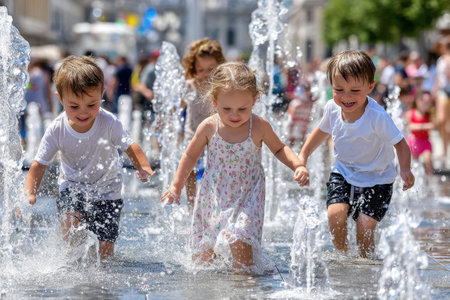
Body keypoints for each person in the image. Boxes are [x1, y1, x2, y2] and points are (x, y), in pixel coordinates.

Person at [160, 62, 303, 271]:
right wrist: (176, 186)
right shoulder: (209, 126)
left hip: (248, 194)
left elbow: (280, 149)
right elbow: (190, 155)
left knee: (241, 236)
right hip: (214, 194)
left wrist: (297, 165)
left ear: (254, 100)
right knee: (204, 255)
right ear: (214, 101)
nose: (234, 115)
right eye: (226, 109)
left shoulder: (259, 126)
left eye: (242, 109)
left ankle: (243, 282)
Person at [24, 56, 155, 260]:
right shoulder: (57, 129)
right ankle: (73, 259)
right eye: (74, 106)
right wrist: (30, 193)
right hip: (73, 187)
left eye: (91, 105)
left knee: (106, 254)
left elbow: (131, 146)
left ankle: (98, 258)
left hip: (108, 192)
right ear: (60, 99)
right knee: (70, 228)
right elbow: (38, 165)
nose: (83, 112)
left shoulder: (109, 122)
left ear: (101, 94)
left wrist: (143, 165)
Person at [297, 50, 415, 258]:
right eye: (339, 89)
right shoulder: (332, 108)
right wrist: (303, 156)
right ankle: (342, 255)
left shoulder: (377, 116)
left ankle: (364, 259)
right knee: (335, 214)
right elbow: (320, 132)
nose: (346, 97)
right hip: (343, 171)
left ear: (370, 86)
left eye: (354, 90)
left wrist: (405, 168)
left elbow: (401, 145)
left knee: (365, 225)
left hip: (378, 178)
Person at [181, 38, 226, 209]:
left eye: (211, 69)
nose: (206, 74)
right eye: (201, 70)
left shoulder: (221, 88)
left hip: (215, 137)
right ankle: (192, 208)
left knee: (215, 173)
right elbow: (176, 107)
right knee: (190, 173)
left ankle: (214, 207)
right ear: (193, 69)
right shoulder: (189, 85)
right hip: (192, 136)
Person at [405, 90, 435, 175]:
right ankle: (416, 178)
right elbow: (408, 127)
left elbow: (433, 125)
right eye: (425, 103)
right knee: (415, 162)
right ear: (417, 101)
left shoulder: (429, 115)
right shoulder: (410, 114)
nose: (427, 105)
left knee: (428, 159)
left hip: (425, 142)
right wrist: (423, 126)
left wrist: (419, 126)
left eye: (429, 103)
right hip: (414, 142)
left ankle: (430, 176)